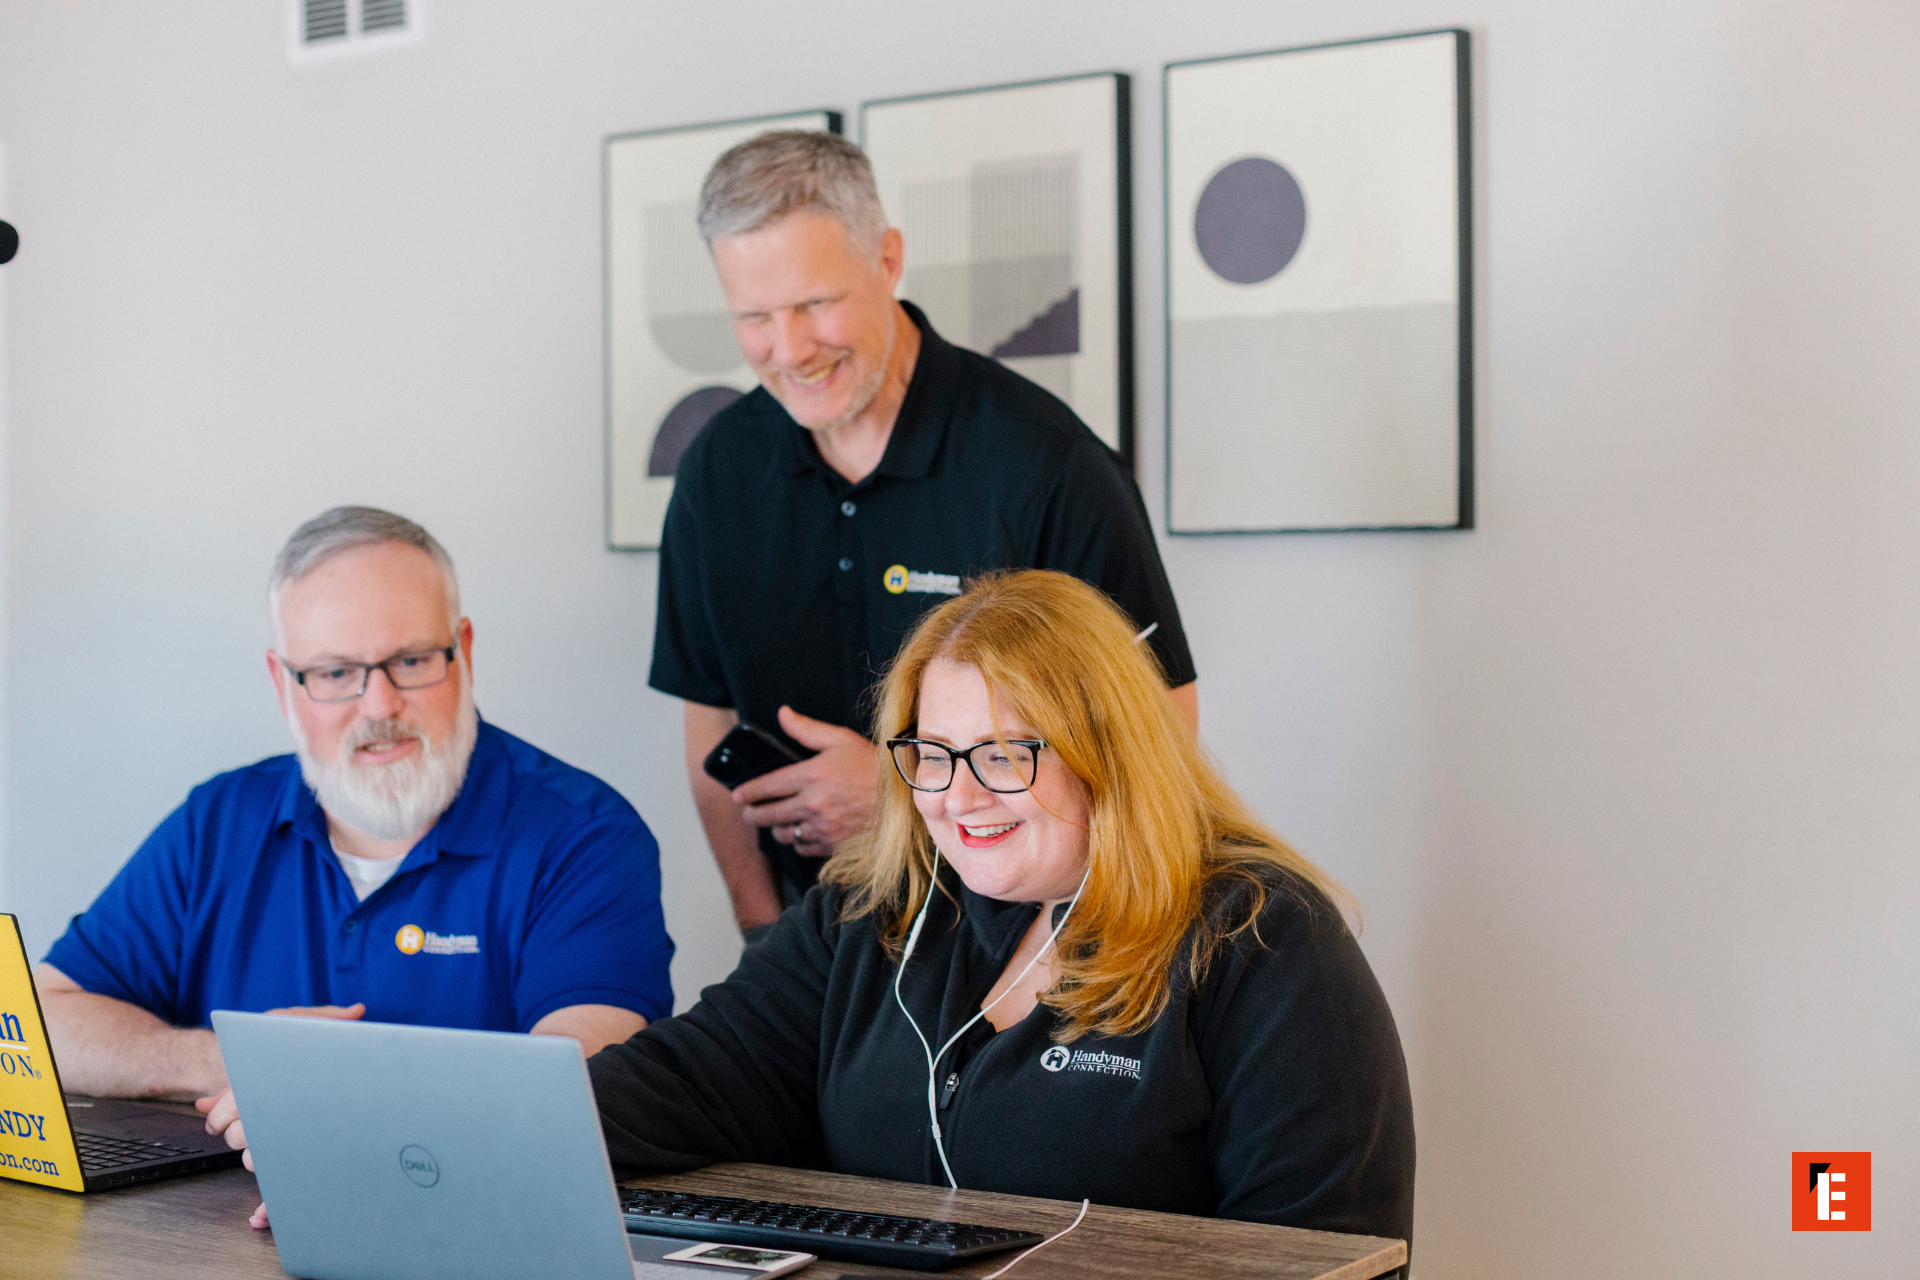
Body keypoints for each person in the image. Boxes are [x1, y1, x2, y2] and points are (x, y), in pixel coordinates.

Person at [591, 570, 1415, 1254]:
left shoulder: (1262, 938)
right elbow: (682, 1084)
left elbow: (1324, 1254)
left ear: (1111, 756)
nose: (959, 796)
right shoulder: (872, 910)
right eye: (933, 755)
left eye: (1004, 754)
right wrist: (492, 1132)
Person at [653, 130, 1198, 943]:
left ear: (888, 260)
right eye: (755, 317)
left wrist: (903, 793)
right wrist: (762, 935)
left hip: (1020, 951)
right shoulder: (715, 474)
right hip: (810, 957)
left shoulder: (1049, 465)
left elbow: (1161, 742)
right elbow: (708, 742)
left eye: (814, 304)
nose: (790, 349)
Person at [35, 506, 676, 1110]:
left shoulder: (585, 838)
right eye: (336, 674)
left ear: (466, 651)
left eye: (411, 660)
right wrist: (233, 1063)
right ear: (282, 685)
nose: (379, 706)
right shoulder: (218, 824)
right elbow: (36, 1022)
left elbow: (580, 1085)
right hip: (213, 1222)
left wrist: (336, 1100)